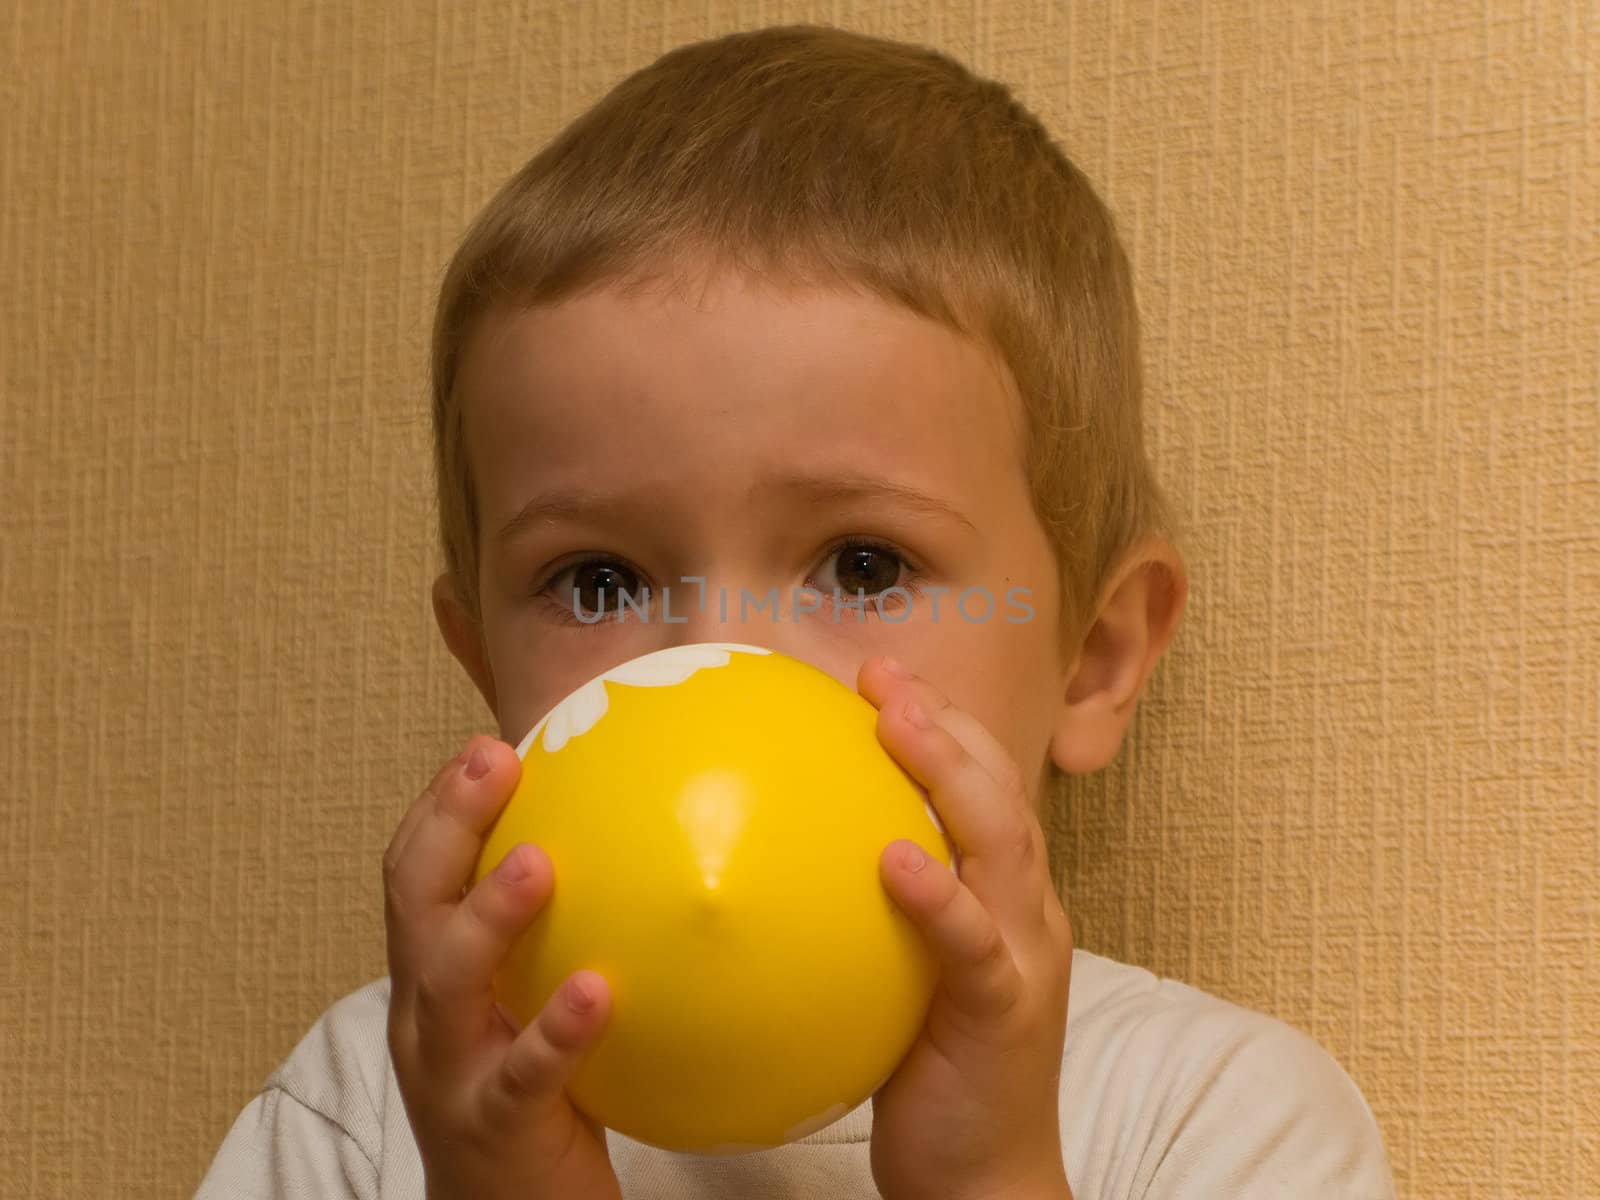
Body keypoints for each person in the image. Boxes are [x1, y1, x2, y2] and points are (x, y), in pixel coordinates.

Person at [195, 23, 1396, 1200]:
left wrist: (991, 1183)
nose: (722, 664)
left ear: (1090, 659)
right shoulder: (370, 1111)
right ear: (483, 669)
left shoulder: (1204, 1115)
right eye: (597, 580)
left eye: (864, 566)